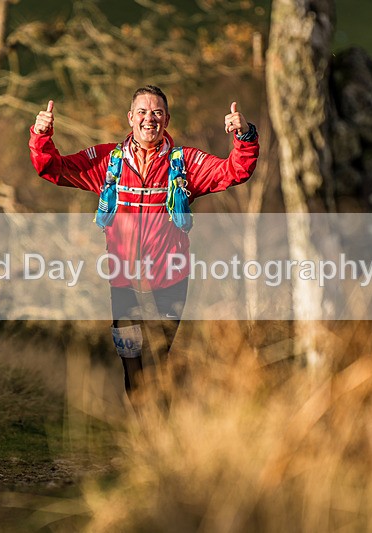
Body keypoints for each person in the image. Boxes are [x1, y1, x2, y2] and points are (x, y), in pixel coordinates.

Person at [29, 85, 259, 406]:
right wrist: (42, 137)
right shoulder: (108, 161)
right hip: (123, 281)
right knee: (133, 366)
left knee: (159, 363)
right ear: (130, 118)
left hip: (170, 280)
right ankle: (146, 438)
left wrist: (245, 135)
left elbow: (235, 170)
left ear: (166, 119)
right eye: (142, 112)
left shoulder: (185, 163)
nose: (149, 118)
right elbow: (53, 169)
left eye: (157, 112)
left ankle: (160, 444)